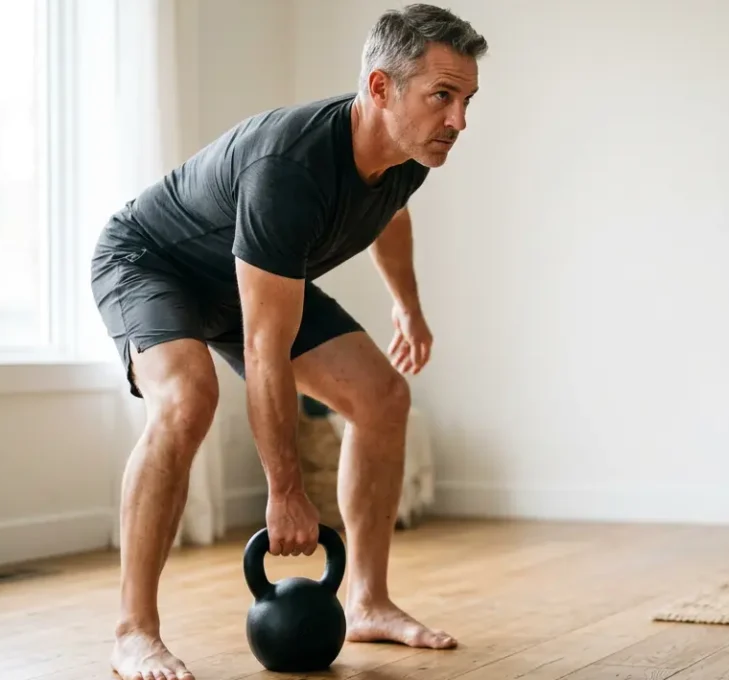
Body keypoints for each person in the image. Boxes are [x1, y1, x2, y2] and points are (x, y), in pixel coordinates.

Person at [88, 5, 486, 679]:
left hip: (255, 276)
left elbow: (390, 218)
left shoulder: (411, 152)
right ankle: (134, 631)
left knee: (383, 399)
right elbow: (265, 346)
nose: (459, 121)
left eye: (467, 100)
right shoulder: (291, 168)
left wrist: (407, 308)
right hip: (153, 263)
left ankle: (368, 601)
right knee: (187, 400)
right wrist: (286, 491)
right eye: (442, 97)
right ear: (381, 87)